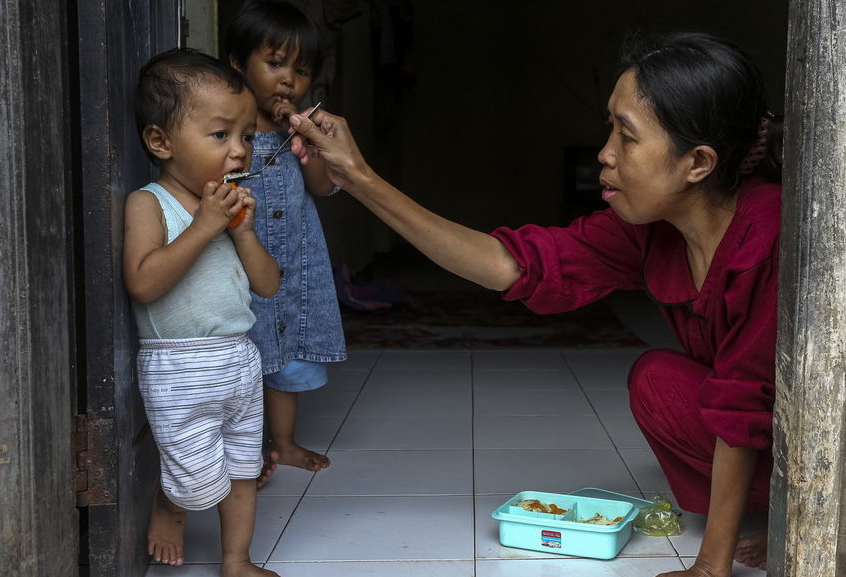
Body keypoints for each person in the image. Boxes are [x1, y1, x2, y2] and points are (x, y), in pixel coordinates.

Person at [289, 31, 783, 576]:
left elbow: (743, 409)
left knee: (727, 403)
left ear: (698, 162)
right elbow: (508, 263)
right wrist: (357, 177)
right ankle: (763, 515)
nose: (606, 153)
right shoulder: (652, 229)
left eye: (627, 136)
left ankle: (787, 513)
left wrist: (711, 566)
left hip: (813, 448)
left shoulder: (766, 237)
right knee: (656, 379)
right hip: (758, 431)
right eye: (609, 127)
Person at [124, 47, 281, 576]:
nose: (239, 152)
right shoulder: (149, 204)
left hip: (239, 358)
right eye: (221, 136)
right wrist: (206, 227)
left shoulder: (229, 211)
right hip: (180, 365)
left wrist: (246, 234)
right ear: (160, 141)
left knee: (242, 468)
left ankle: (237, 560)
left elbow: (268, 285)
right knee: (196, 480)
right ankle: (171, 505)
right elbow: (144, 283)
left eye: (247, 137)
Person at [224, 0, 348, 487]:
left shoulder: (302, 129)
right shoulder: (228, 130)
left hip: (294, 266)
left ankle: (284, 443)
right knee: (243, 359)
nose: (287, 80)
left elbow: (321, 186)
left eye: (300, 70)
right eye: (274, 64)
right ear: (238, 64)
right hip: (237, 265)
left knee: (288, 360)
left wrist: (310, 144)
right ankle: (242, 455)